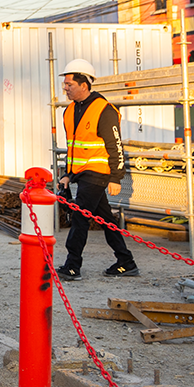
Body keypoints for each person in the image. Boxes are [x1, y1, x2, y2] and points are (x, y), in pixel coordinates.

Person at [56, 59, 137, 280]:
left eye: (69, 84)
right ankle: (126, 261)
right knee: (105, 219)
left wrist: (116, 177)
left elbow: (115, 146)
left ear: (85, 84)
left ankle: (72, 266)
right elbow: (73, 146)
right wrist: (67, 174)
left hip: (98, 173)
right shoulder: (70, 111)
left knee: (80, 217)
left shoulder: (104, 110)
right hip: (80, 173)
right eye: (65, 84)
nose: (65, 88)